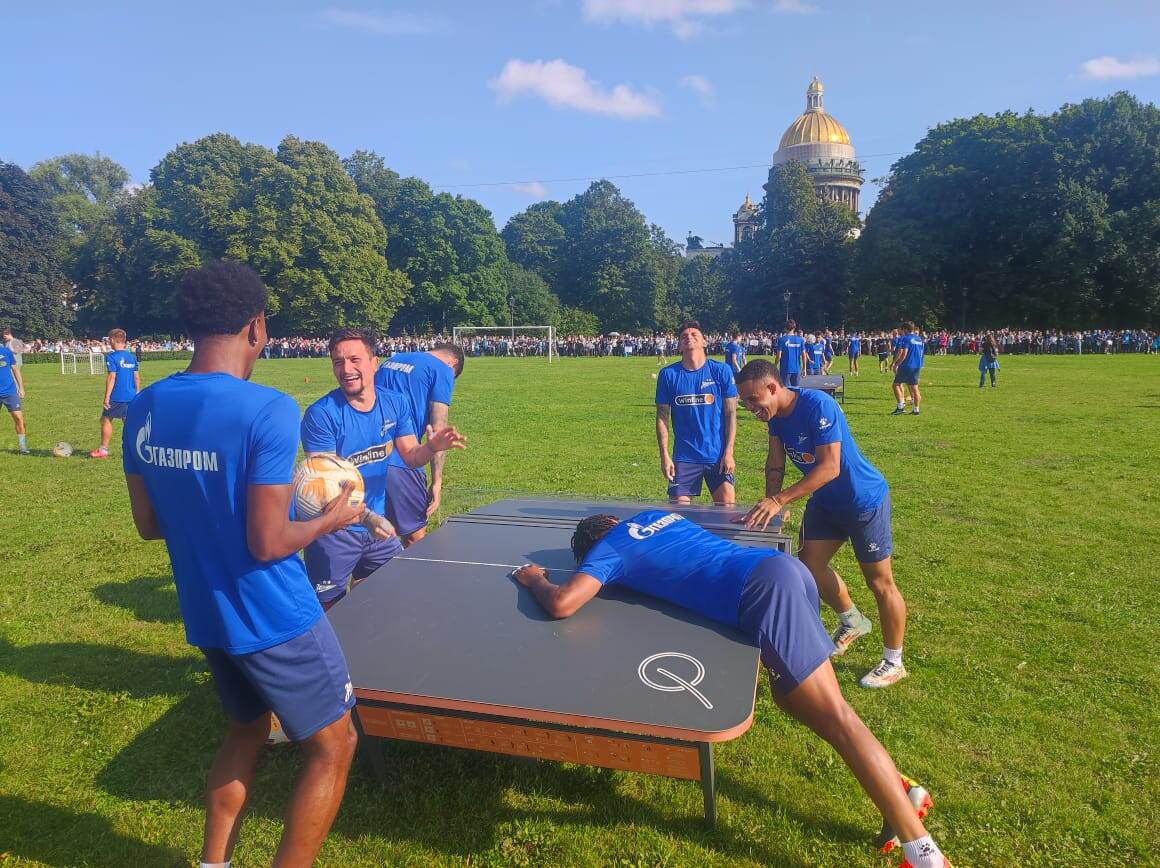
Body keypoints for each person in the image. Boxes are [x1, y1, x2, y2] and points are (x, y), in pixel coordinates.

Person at [510, 513, 950, 868]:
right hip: (783, 572)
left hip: (763, 593)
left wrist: (534, 579)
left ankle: (924, 854)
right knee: (794, 700)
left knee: (838, 719)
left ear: (592, 545)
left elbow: (564, 603)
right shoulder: (657, 517)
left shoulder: (609, 550)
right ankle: (900, 793)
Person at [122, 260, 366, 867]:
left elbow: (150, 525)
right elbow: (267, 542)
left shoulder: (146, 405)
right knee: (334, 746)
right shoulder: (268, 409)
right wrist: (330, 521)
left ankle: (214, 864)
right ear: (257, 327)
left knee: (246, 729)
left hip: (208, 613)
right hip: (275, 613)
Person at [733, 360, 910, 689]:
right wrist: (772, 500)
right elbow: (775, 462)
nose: (749, 408)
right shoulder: (775, 418)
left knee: (880, 583)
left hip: (862, 501)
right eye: (744, 402)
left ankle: (894, 661)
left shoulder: (818, 405)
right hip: (824, 503)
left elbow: (830, 467)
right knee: (809, 567)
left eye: (753, 400)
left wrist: (781, 500)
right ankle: (852, 620)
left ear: (773, 388)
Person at [303, 329, 466, 607]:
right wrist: (369, 520)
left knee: (380, 601)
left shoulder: (395, 403)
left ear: (374, 363)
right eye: (338, 362)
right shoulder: (321, 415)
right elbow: (326, 489)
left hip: (377, 529)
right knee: (330, 613)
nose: (347, 369)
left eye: (355, 359)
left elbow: (411, 456)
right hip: (335, 532)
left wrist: (431, 447)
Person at [373, 342, 464, 546]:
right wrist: (437, 481)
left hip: (367, 457)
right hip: (402, 460)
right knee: (415, 541)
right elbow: (438, 428)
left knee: (373, 542)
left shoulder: (392, 360)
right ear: (453, 363)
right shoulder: (443, 369)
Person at [655, 320, 737, 505]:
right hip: (684, 457)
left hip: (717, 455)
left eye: (694, 335)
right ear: (678, 344)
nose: (688, 338)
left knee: (727, 510)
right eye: (684, 336)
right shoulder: (668, 375)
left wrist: (729, 452)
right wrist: (664, 456)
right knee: (678, 515)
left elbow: (731, 413)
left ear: (704, 342)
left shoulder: (720, 370)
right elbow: (662, 418)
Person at [90, 328, 140, 458]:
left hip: (117, 395)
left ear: (112, 340)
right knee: (128, 422)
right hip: (131, 395)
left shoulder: (112, 356)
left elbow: (112, 377)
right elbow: (136, 377)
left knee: (106, 419)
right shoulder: (131, 357)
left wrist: (107, 397)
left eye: (109, 340)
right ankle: (136, 450)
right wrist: (138, 391)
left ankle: (103, 449)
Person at [0, 336, 28, 454]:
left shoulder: (6, 352)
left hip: (10, 391)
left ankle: (22, 447)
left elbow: (15, 370)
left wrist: (21, 387)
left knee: (18, 417)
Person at [891, 323, 925, 416]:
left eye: (902, 329)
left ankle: (900, 407)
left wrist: (896, 363)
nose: (901, 331)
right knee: (914, 387)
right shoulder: (919, 339)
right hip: (917, 366)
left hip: (907, 366)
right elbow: (921, 353)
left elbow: (904, 353)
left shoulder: (906, 338)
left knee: (896, 385)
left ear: (905, 329)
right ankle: (916, 409)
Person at [776, 321, 807, 387]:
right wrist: (804, 368)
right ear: (794, 328)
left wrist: (775, 366)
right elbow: (804, 355)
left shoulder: (782, 340)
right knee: (796, 391)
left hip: (785, 369)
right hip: (797, 369)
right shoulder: (800, 340)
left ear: (785, 328)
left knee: (785, 391)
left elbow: (779, 356)